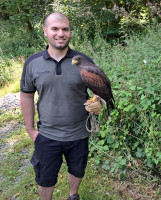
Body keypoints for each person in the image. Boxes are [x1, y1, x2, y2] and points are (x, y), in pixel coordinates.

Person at [20, 12, 102, 200]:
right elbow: (26, 95)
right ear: (45, 31)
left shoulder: (83, 60)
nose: (60, 33)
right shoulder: (33, 62)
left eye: (65, 29)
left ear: (70, 32)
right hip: (47, 134)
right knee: (45, 177)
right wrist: (30, 130)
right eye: (55, 29)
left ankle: (73, 196)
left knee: (77, 169)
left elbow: (99, 89)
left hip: (79, 132)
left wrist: (99, 103)